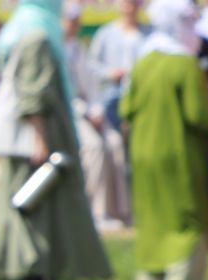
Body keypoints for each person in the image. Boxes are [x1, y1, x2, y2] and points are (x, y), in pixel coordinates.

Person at [0, 0, 113, 280]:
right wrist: (41, 139)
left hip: (28, 132)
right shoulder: (37, 35)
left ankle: (47, 266)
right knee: (34, 201)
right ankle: (29, 266)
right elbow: (34, 93)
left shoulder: (21, 27)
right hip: (38, 133)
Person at [122, 0, 208, 280]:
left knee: (151, 222)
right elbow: (198, 116)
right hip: (178, 158)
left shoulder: (143, 62)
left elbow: (126, 107)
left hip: (142, 155)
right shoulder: (185, 64)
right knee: (185, 222)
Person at [64, 1, 130, 228]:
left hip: (89, 112)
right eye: (70, 20)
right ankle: (96, 212)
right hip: (70, 113)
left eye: (76, 21)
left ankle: (120, 211)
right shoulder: (57, 48)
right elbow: (64, 93)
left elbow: (91, 86)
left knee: (114, 143)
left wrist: (96, 110)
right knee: (94, 147)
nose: (73, 25)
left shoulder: (77, 47)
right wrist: (86, 111)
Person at [88, 0, 146, 126]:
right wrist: (110, 73)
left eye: (133, 3)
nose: (129, 7)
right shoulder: (106, 33)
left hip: (140, 95)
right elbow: (92, 64)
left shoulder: (148, 34)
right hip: (112, 96)